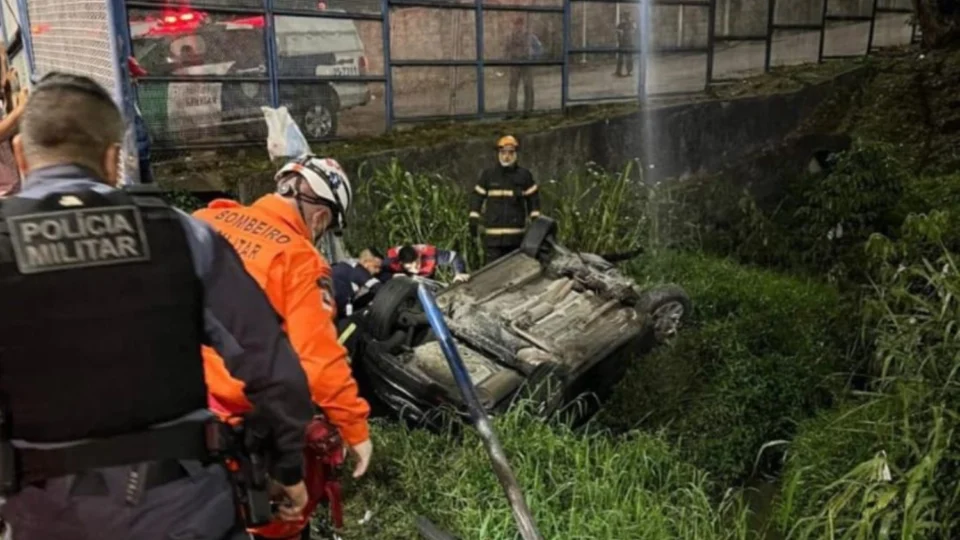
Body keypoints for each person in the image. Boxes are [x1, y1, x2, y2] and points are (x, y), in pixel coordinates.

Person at [0, 72, 313, 540]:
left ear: (22, 155)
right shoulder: (184, 236)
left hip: (48, 520)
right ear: (112, 160)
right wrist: (286, 468)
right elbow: (274, 370)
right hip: (188, 515)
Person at [192, 155, 373, 481]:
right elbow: (318, 361)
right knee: (283, 521)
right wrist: (354, 427)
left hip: (173, 406)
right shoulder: (300, 259)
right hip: (237, 424)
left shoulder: (206, 219)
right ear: (319, 218)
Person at [468, 135, 541, 264]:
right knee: (492, 274)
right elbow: (477, 196)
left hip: (516, 239)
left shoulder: (524, 176)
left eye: (510, 152)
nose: (506, 156)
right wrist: (473, 217)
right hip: (493, 239)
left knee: (513, 274)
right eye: (503, 152)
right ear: (498, 153)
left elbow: (533, 200)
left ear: (516, 154)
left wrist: (535, 219)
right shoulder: (489, 175)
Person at [331, 247, 385, 320]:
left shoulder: (344, 267)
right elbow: (378, 288)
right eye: (376, 267)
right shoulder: (358, 271)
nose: (378, 271)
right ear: (366, 262)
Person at [505, 17, 541, 114]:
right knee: (514, 87)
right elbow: (506, 49)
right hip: (516, 63)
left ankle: (526, 110)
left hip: (525, 63)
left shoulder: (530, 37)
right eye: (517, 25)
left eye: (520, 25)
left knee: (527, 86)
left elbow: (538, 48)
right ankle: (513, 110)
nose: (519, 27)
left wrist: (533, 57)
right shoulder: (511, 37)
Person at [384, 243, 470, 283]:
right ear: (401, 263)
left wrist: (459, 273)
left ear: (420, 256)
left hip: (426, 279)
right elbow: (376, 271)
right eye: (409, 267)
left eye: (417, 265)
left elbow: (454, 256)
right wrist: (391, 276)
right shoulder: (391, 261)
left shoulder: (430, 254)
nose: (415, 270)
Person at [615, 12, 637, 77]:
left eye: (628, 16)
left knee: (629, 57)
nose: (627, 18)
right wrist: (619, 37)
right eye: (626, 17)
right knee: (621, 58)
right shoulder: (621, 24)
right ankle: (618, 71)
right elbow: (617, 31)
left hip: (629, 43)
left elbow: (633, 31)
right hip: (623, 43)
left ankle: (629, 71)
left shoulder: (632, 23)